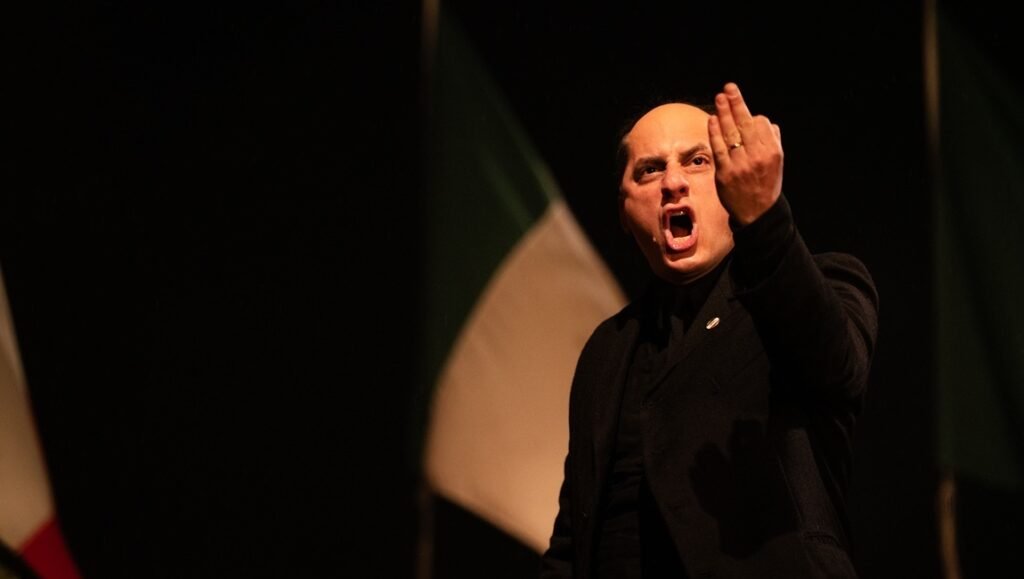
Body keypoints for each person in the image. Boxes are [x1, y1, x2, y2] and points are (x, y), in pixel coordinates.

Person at [539, 82, 879, 578]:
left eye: (697, 161)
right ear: (624, 212)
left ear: (730, 181)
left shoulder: (822, 283)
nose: (673, 182)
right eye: (650, 169)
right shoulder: (607, 350)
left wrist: (763, 218)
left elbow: (836, 370)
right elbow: (573, 538)